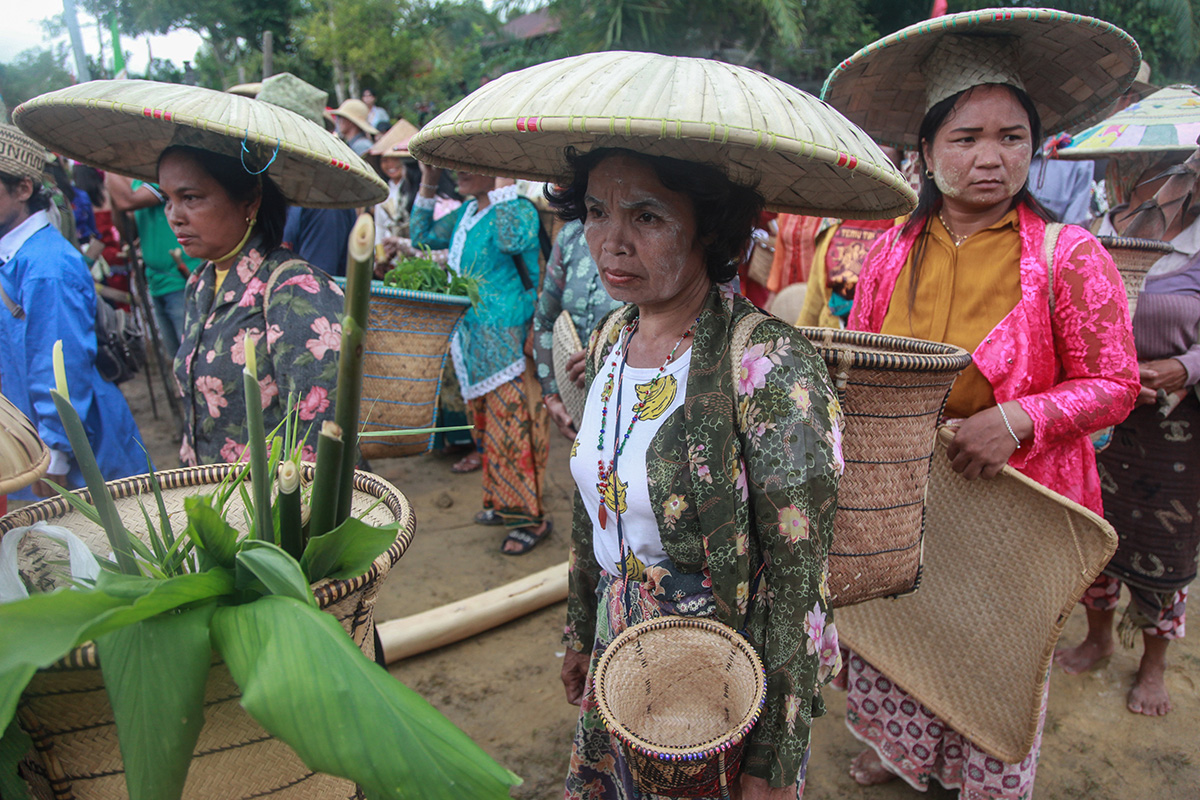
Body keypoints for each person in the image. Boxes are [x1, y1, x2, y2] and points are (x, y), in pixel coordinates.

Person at [822, 11, 1141, 797]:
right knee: (906, 633)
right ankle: (906, 756)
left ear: (1036, 148)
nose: (991, 158)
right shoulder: (892, 251)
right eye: (965, 138)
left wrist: (1020, 418)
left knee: (991, 659)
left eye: (1012, 137)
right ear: (927, 152)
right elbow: (865, 363)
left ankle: (974, 775)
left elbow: (1117, 384)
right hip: (909, 493)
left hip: (1016, 511)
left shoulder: (1069, 256)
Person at [1051, 85, 1200, 716]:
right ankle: (1097, 638)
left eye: (1160, 168)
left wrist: (1180, 369)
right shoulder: (1088, 235)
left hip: (1174, 433)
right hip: (1094, 421)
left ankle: (1154, 664)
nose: (1137, 179)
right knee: (1091, 534)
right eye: (1128, 166)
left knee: (1165, 548)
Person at [409, 164, 551, 554]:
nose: (459, 174)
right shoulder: (466, 213)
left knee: (516, 432)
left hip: (509, 342)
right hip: (473, 344)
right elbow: (420, 236)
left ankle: (530, 519)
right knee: (486, 432)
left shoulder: (518, 209)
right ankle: (500, 502)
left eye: (472, 166)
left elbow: (512, 239)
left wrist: (507, 180)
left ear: (496, 171)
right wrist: (428, 178)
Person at [0, 124, 145, 499]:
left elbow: (61, 371)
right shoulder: (18, 258)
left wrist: (55, 458)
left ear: (23, 189)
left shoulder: (45, 267)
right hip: (41, 446)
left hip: (75, 459)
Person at [531, 219, 622, 439]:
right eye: (596, 209)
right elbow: (544, 322)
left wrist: (611, 360)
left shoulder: (656, 236)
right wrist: (551, 396)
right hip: (578, 411)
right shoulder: (571, 235)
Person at [797, 145, 906, 329]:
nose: (876, 174)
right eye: (869, 163)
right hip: (832, 336)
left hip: (878, 342)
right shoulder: (835, 220)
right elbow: (814, 299)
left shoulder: (905, 227)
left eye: (886, 165)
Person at [106, 173, 203, 356]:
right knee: (175, 358)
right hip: (157, 282)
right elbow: (128, 231)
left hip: (180, 281)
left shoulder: (161, 178)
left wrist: (108, 170)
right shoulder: (137, 181)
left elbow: (127, 201)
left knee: (191, 355)